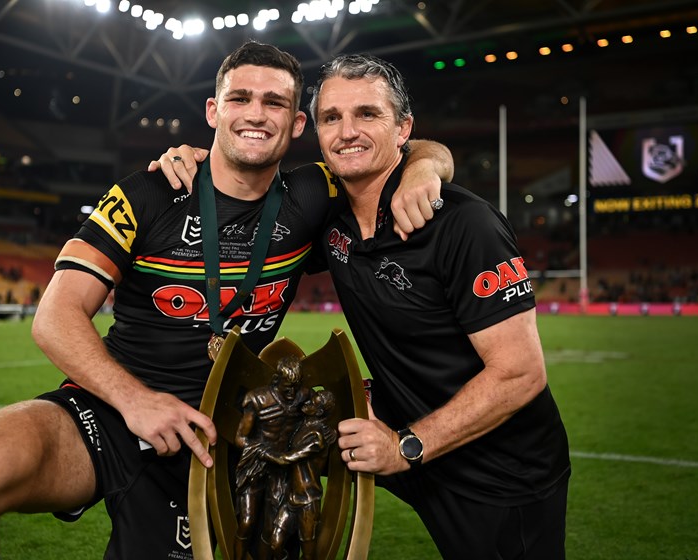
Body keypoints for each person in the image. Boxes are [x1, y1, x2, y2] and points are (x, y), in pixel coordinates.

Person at [0, 42, 453, 559]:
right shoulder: (146, 193)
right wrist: (136, 401)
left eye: (274, 103)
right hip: (115, 410)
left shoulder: (315, 195)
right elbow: (55, 316)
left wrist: (424, 168)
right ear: (213, 111)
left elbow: (413, 150)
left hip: (228, 431)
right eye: (240, 98)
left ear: (296, 124)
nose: (256, 114)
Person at [158, 53, 571, 560]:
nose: (347, 131)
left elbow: (520, 373)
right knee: (275, 440)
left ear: (403, 129)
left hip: (497, 469)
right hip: (395, 427)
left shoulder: (466, 225)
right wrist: (197, 160)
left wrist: (406, 446)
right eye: (332, 117)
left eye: (368, 114)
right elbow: (240, 188)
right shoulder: (331, 219)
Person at [232, 355, 311, 560]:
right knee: (247, 522)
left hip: (282, 470)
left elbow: (316, 418)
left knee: (272, 526)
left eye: (295, 387)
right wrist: (266, 453)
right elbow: (240, 438)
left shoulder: (304, 397)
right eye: (287, 388)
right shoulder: (257, 400)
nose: (292, 393)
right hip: (255, 466)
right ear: (276, 380)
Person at [262, 389, 337, 560]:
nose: (307, 403)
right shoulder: (303, 425)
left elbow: (288, 458)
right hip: (292, 498)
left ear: (319, 412)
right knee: (275, 543)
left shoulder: (317, 437)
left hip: (308, 501)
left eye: (312, 403)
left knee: (308, 554)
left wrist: (263, 453)